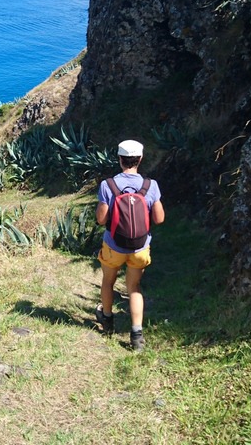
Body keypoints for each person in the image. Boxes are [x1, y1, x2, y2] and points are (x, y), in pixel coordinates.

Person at [94, 139, 165, 350]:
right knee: (134, 287)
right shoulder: (150, 185)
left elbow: (101, 219)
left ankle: (107, 320)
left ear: (119, 159)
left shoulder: (108, 185)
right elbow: (160, 219)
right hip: (140, 248)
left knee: (108, 281)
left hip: (113, 245)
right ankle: (136, 335)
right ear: (140, 159)